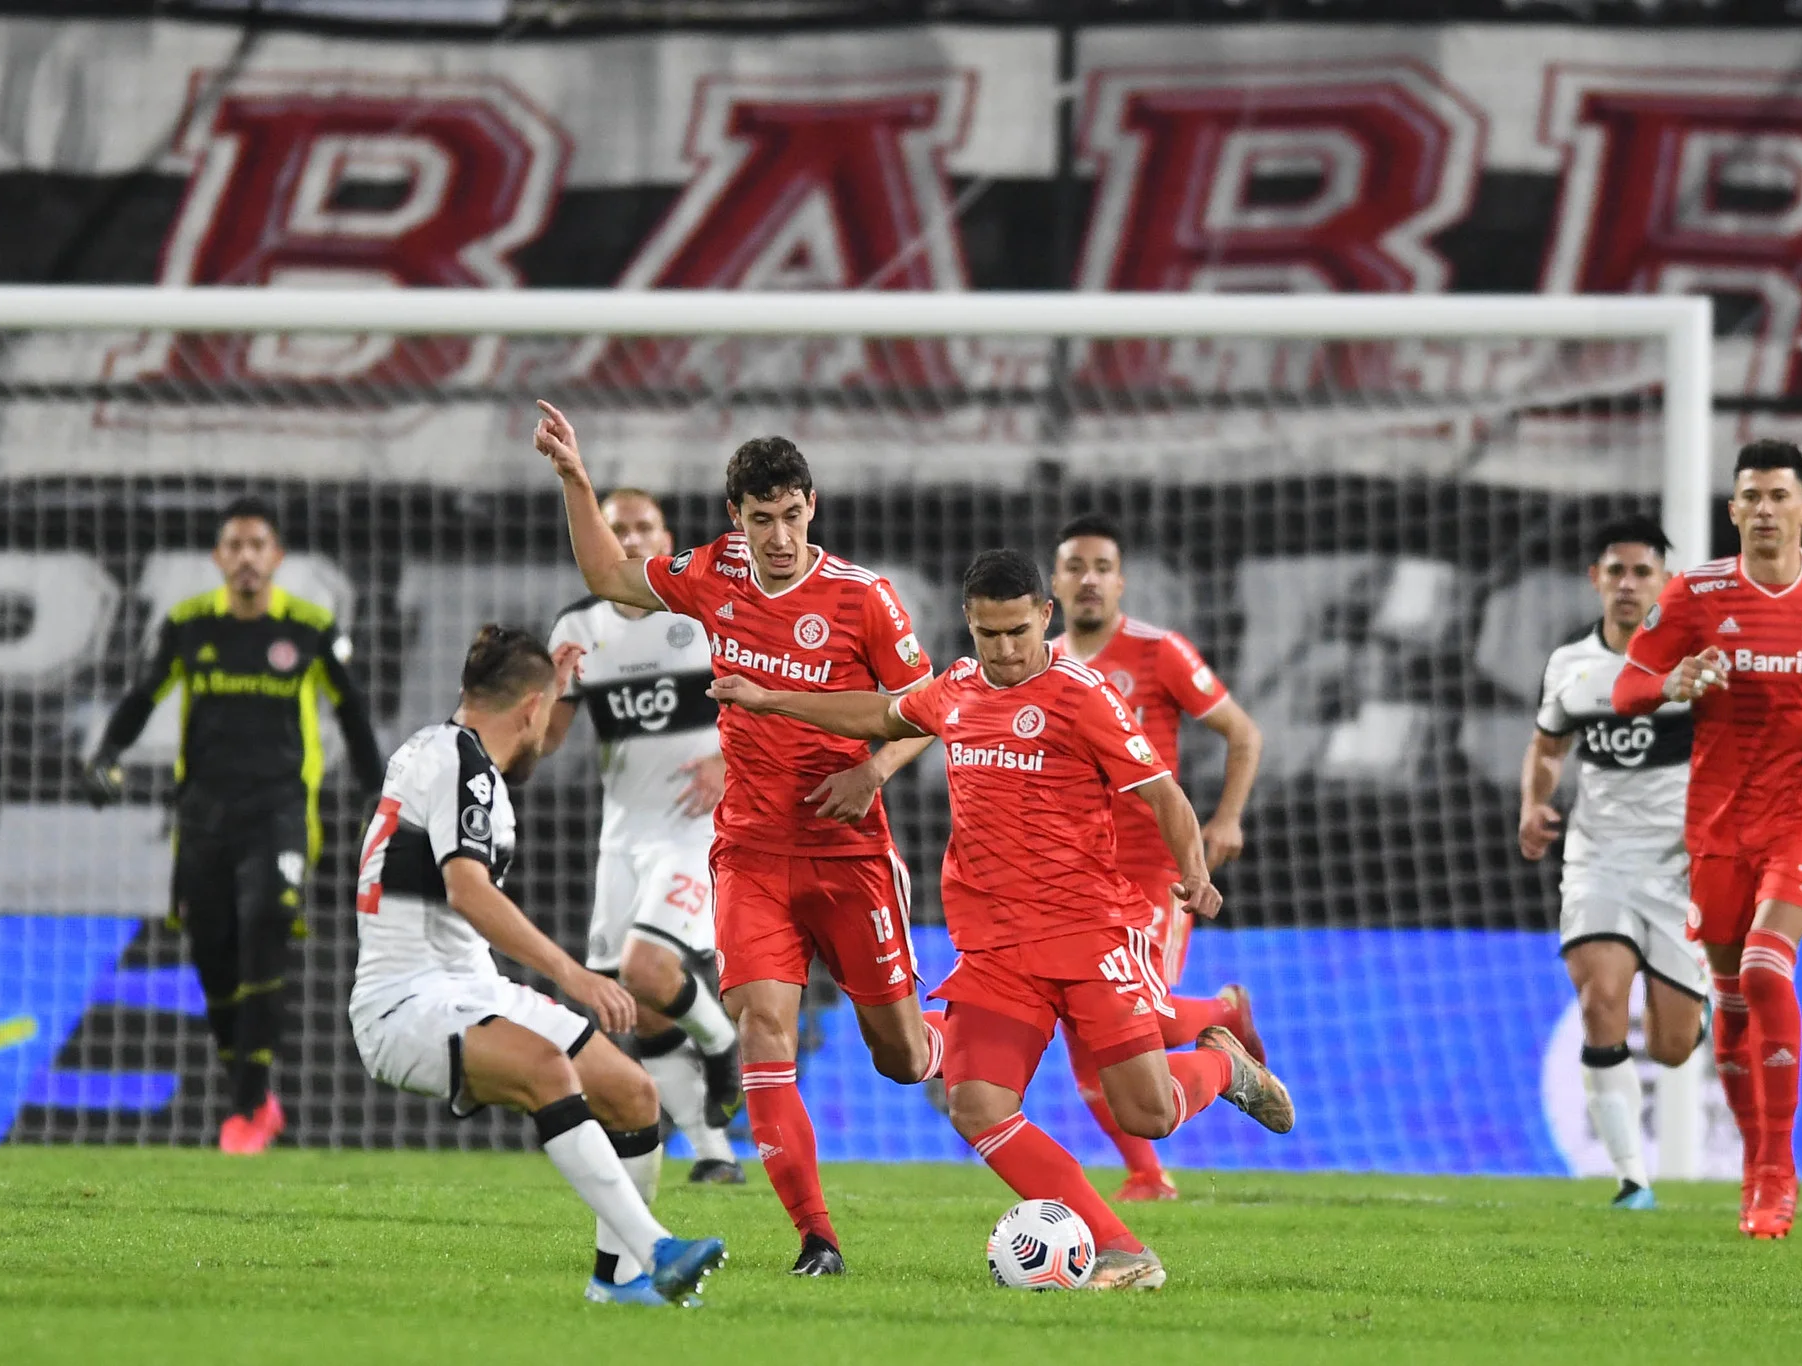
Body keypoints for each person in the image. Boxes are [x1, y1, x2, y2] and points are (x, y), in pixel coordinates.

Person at [710, 549, 1295, 1290]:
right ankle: (1121, 1248)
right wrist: (772, 698)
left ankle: (1222, 1064)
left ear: (1044, 617)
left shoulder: (1084, 695)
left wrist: (1194, 872)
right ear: (970, 624)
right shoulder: (953, 688)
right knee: (975, 1102)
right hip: (994, 948)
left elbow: (1165, 796)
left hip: (1088, 934)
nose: (1007, 648)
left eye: (1019, 630)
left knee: (1148, 1113)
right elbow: (879, 712)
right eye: (990, 634)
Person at [534, 403, 943, 1275]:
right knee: (764, 1027)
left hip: (849, 850)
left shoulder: (863, 596)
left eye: (793, 516)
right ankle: (816, 1237)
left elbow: (927, 708)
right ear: (737, 520)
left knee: (902, 1058)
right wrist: (576, 478)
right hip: (750, 852)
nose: (781, 537)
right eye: (763, 520)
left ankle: (957, 1038)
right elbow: (608, 572)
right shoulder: (712, 573)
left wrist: (872, 771)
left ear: (812, 507)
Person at [350, 625, 726, 1306]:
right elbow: (467, 889)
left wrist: (555, 682)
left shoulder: (451, 752)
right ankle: (655, 1250)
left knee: (631, 1093)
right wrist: (573, 974)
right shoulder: (460, 766)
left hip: (470, 987)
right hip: (403, 1002)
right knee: (548, 1071)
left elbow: (520, 745)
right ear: (531, 707)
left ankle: (617, 1285)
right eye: (546, 712)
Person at [1613, 439, 1802, 1239]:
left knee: (1773, 967)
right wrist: (1671, 684)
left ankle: (1778, 1172)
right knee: (1733, 1001)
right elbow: (1631, 681)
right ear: (1734, 510)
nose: (1766, 509)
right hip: (1718, 822)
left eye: (1781, 495)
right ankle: (1755, 1161)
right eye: (1752, 496)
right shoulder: (1697, 594)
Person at [84, 495, 382, 1154]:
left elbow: (354, 713)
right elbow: (142, 696)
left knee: (269, 923)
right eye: (235, 546)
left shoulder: (308, 627)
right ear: (220, 558)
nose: (247, 557)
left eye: (258, 545)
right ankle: (249, 1092)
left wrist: (375, 793)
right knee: (212, 954)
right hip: (202, 815)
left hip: (279, 811)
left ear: (275, 557)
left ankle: (247, 1106)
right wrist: (106, 754)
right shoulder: (188, 625)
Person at [1048, 514, 1269, 1200]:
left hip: (1151, 872)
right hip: (1072, 880)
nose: (1089, 579)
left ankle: (1223, 1012)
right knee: (1084, 1031)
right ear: (1054, 583)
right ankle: (1148, 1176)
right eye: (1075, 567)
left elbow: (1243, 733)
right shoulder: (1043, 663)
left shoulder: (1158, 651)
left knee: (1131, 1010)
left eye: (1102, 567)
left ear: (1122, 581)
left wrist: (1225, 818)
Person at [544, 488, 744, 1185]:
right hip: (622, 837)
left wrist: (729, 758)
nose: (629, 539)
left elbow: (771, 706)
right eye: (616, 527)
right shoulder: (579, 625)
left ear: (668, 538)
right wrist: (551, 691)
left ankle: (725, 1051)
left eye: (643, 528)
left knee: (647, 970)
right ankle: (714, 1152)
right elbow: (540, 745)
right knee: (645, 1013)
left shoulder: (706, 615)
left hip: (696, 831)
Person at [1519, 516, 1706, 1210]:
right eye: (1616, 571)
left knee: (1674, 1047)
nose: (1628, 584)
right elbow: (1546, 747)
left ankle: (1699, 1007)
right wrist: (1533, 806)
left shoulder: (1696, 663)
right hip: (1597, 859)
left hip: (1680, 868)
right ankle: (1633, 1178)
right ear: (1596, 579)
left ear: (1665, 583)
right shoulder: (1571, 664)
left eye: (1642, 572)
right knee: (1600, 1000)